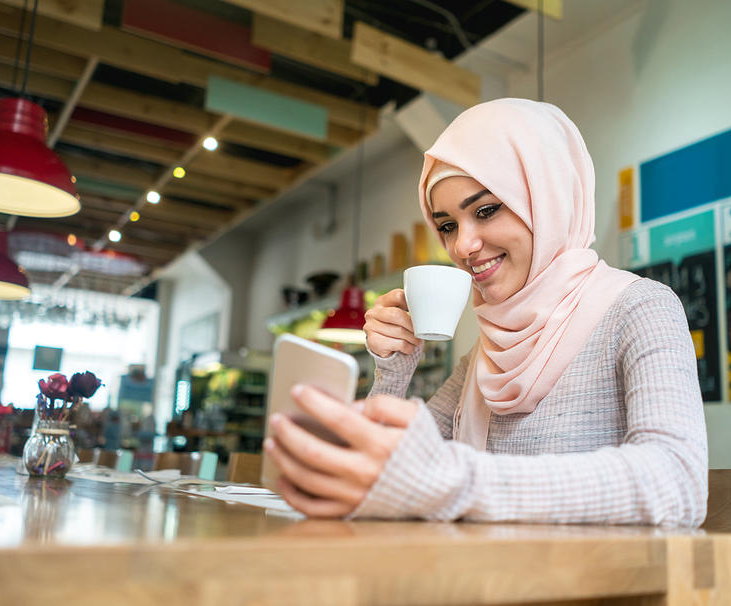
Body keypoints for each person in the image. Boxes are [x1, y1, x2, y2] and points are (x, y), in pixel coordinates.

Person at [263, 98, 707, 526]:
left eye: (487, 209)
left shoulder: (641, 307)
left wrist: (457, 483)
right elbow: (384, 471)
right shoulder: (482, 358)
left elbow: (678, 482)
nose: (462, 246)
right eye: (448, 226)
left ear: (546, 198)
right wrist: (394, 369)